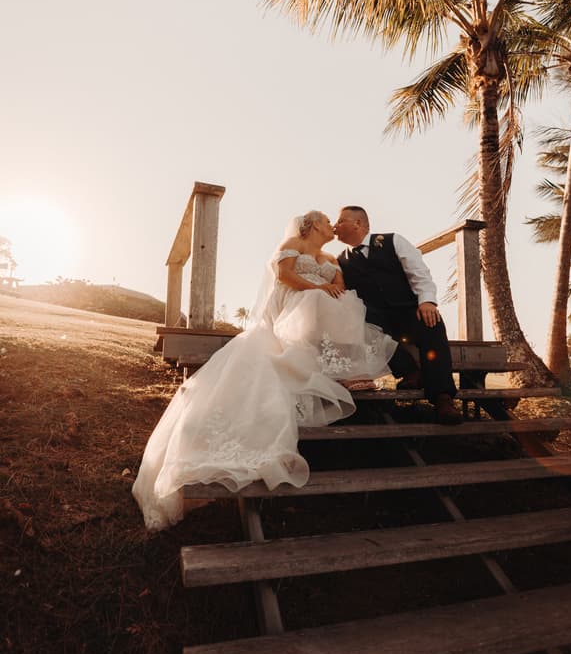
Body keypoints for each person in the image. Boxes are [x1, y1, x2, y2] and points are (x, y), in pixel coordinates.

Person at [132, 211, 397, 530]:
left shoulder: (330, 257)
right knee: (317, 301)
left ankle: (347, 370)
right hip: (293, 305)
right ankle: (322, 363)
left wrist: (331, 287)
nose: (332, 227)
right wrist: (315, 288)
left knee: (350, 302)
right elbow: (284, 275)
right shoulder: (293, 243)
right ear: (312, 225)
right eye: (327, 222)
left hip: (319, 306)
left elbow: (338, 284)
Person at [334, 206, 462, 425]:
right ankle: (409, 371)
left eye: (340, 221)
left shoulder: (393, 241)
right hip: (376, 319)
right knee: (359, 323)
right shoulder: (340, 261)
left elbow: (419, 272)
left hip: (408, 312)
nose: (334, 227)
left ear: (357, 223)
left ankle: (443, 398)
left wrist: (427, 301)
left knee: (433, 325)